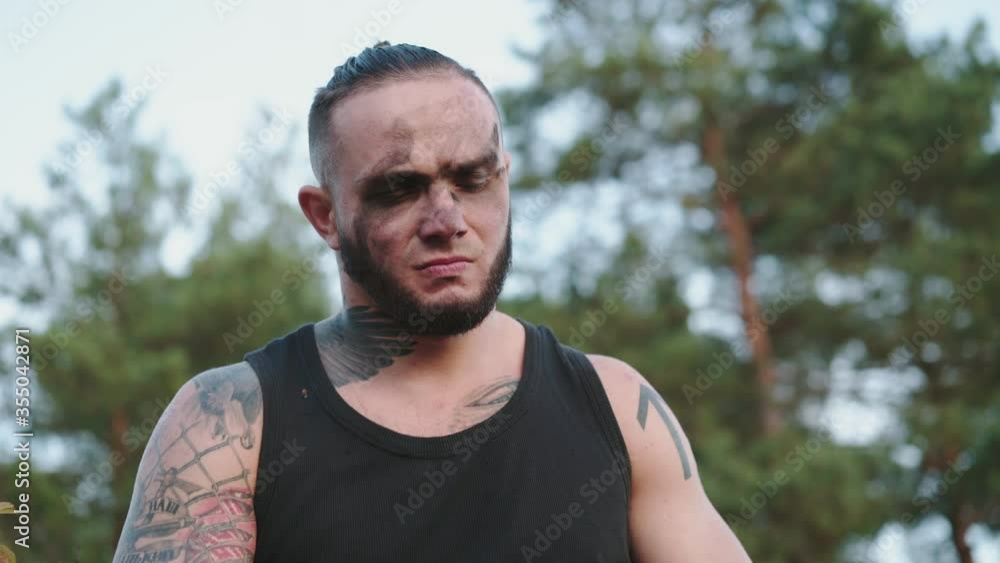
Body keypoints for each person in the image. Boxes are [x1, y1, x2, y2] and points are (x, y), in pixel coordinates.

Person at [113, 41, 751, 562]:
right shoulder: (229, 421)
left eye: (472, 179)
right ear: (325, 216)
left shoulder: (615, 406)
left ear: (502, 177)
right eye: (399, 189)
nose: (447, 219)